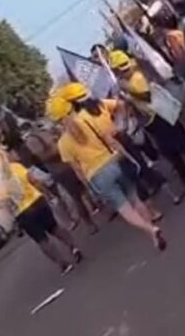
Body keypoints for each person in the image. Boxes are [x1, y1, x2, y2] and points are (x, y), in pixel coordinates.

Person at [49, 84, 166, 252]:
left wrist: (90, 188)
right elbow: (111, 140)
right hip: (114, 161)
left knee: (124, 209)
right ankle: (151, 226)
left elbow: (78, 170)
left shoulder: (62, 145)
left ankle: (150, 231)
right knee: (135, 199)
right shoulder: (86, 120)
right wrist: (128, 157)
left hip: (97, 176)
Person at [109, 51, 185, 197]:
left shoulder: (136, 78)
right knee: (170, 150)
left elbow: (146, 95)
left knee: (181, 144)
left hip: (160, 115)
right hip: (151, 119)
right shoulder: (130, 78)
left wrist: (129, 92)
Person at [8, 152, 83, 274]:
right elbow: (33, 181)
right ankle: (73, 247)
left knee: (42, 240)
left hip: (22, 211)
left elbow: (3, 203)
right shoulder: (15, 167)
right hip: (36, 201)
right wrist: (47, 194)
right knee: (54, 227)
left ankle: (63, 263)